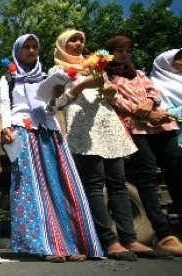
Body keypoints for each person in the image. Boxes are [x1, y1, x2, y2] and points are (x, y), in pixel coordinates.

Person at [49, 30, 171, 261]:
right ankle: (109, 241)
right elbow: (56, 103)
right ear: (62, 45)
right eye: (72, 40)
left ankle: (129, 238)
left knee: (117, 182)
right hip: (83, 128)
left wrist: (110, 91)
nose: (78, 43)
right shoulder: (57, 71)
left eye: (81, 40)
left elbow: (111, 98)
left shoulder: (95, 65)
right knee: (95, 183)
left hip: (108, 124)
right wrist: (81, 86)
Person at [0, 33, 102, 263]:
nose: (31, 51)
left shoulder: (47, 77)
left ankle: (70, 244)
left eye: (35, 47)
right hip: (23, 131)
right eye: (27, 47)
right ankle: (44, 244)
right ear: (18, 51)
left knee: (60, 186)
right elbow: (5, 104)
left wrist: (55, 97)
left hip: (50, 133)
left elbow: (52, 109)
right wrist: (5, 127)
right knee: (32, 187)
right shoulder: (9, 78)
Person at [104, 35, 182, 257]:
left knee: (175, 169)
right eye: (119, 50)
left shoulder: (138, 74)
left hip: (161, 124)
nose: (125, 54)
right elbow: (115, 99)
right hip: (136, 127)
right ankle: (164, 234)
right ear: (110, 53)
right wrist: (143, 111)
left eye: (127, 50)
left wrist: (151, 102)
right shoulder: (107, 76)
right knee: (146, 175)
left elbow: (154, 91)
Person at [151, 49, 182, 148]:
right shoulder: (155, 85)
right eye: (177, 58)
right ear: (165, 62)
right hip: (176, 132)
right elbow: (165, 113)